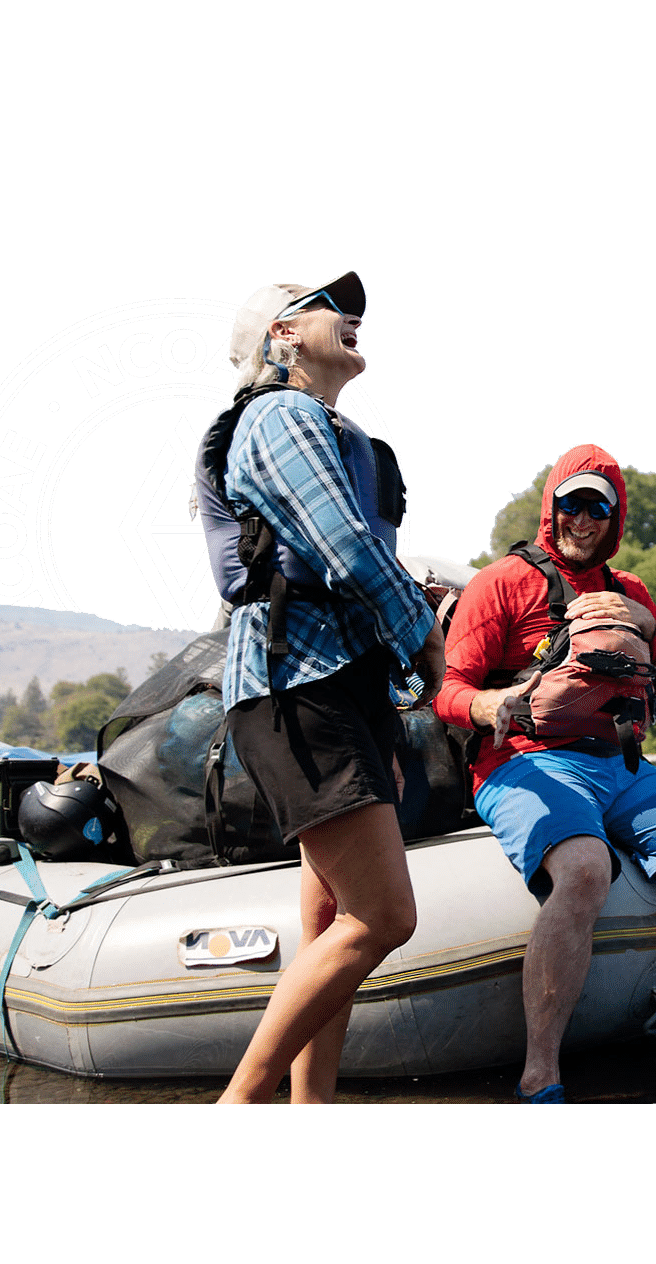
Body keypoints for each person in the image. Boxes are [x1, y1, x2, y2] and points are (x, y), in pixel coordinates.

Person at [435, 445, 656, 1102]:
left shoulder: (631, 590)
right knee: (586, 870)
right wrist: (490, 704)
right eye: (571, 504)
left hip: (621, 767)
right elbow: (445, 690)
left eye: (597, 508)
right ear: (551, 507)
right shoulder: (502, 583)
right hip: (522, 761)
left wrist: (647, 625)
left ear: (614, 518)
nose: (582, 519)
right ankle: (541, 1074)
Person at [199, 272, 444, 1104]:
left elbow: (344, 563)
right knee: (384, 919)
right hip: (296, 687)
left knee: (326, 921)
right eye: (327, 306)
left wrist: (383, 717)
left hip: (339, 686)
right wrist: (425, 631)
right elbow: (343, 544)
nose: (351, 316)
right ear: (280, 338)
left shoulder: (328, 428)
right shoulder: (284, 414)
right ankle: (243, 1099)